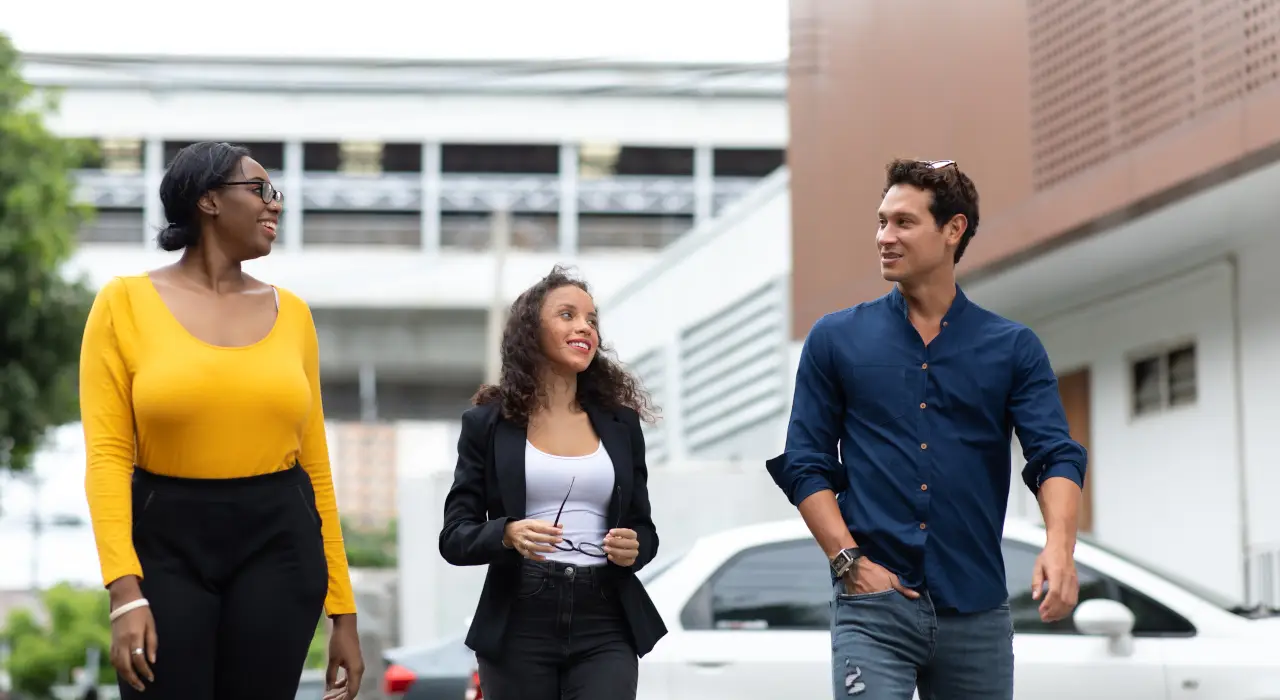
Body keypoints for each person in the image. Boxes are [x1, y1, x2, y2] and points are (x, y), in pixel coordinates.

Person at [767, 159, 1088, 700]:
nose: (884, 237)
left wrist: (1061, 548)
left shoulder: (1011, 348)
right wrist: (850, 564)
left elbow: (1054, 454)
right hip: (872, 607)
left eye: (903, 223)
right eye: (881, 222)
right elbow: (805, 462)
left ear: (953, 230)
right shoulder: (835, 340)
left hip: (977, 608)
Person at [79, 141, 365, 700]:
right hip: (166, 541)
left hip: (279, 542)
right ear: (208, 200)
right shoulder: (123, 304)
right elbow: (108, 456)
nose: (274, 204)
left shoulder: (294, 315)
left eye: (274, 193)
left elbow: (316, 467)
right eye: (259, 190)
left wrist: (344, 612)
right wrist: (124, 593)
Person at [439, 265, 667, 700]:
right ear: (531, 331)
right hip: (520, 616)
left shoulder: (621, 425)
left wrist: (633, 546)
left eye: (592, 319)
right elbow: (454, 537)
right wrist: (505, 533)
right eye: (568, 315)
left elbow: (645, 529)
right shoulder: (487, 424)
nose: (585, 327)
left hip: (606, 619)